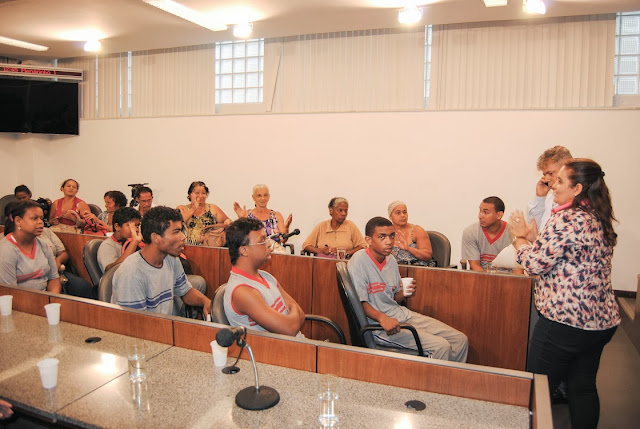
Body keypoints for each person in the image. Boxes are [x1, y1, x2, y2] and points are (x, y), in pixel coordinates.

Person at [510, 159, 619, 429]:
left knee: (537, 390)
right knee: (582, 387)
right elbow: (568, 257)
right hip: (598, 322)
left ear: (577, 188)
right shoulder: (596, 215)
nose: (553, 185)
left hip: (564, 323)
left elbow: (535, 265)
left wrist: (520, 241)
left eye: (559, 181)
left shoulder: (567, 217)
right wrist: (535, 240)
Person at [348, 217, 468, 361]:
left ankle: (449, 375)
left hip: (400, 314)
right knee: (441, 347)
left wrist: (403, 293)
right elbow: (360, 303)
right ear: (368, 240)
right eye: (382, 237)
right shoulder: (359, 261)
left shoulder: (391, 260)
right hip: (378, 326)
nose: (389, 241)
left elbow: (393, 298)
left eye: (392, 236)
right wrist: (382, 318)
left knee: (459, 340)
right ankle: (433, 376)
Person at [112, 206, 210, 317]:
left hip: (163, 324)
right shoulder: (131, 273)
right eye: (176, 232)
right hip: (145, 326)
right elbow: (136, 322)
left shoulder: (171, 258)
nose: (183, 237)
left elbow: (185, 291)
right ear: (156, 238)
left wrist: (205, 302)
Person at [223, 218, 305, 336]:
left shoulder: (265, 276)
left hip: (297, 343)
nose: (269, 244)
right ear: (244, 250)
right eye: (262, 241)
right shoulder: (242, 291)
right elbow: (290, 329)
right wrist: (293, 309)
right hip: (279, 347)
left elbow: (301, 315)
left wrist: (293, 315)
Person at [0, 200, 61, 293]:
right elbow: (10, 292)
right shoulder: (6, 249)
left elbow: (54, 278)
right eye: (34, 218)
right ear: (18, 221)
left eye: (41, 218)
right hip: (19, 300)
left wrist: (51, 299)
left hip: (45, 298)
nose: (40, 222)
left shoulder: (43, 245)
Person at [461, 196, 523, 274]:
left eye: (486, 212)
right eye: (480, 211)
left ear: (499, 215)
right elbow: (475, 266)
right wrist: (489, 281)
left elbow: (518, 270)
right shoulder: (471, 232)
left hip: (508, 278)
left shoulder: (514, 233)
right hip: (481, 277)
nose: (480, 216)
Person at [233, 184, 293, 253]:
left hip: (274, 253)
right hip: (253, 254)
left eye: (265, 195)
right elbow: (241, 239)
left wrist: (287, 227)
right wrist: (241, 219)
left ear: (269, 197)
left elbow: (283, 241)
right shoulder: (246, 214)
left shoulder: (277, 215)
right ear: (253, 197)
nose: (263, 198)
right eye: (259, 196)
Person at [527, 146, 572, 231]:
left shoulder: (577, 203)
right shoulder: (550, 200)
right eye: (544, 174)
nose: (546, 179)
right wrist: (540, 197)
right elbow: (533, 229)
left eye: (550, 173)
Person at [177, 181, 232, 246]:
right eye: (197, 193)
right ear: (190, 194)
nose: (201, 196)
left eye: (203, 193)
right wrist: (193, 208)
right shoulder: (182, 208)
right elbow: (179, 223)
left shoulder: (212, 208)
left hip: (209, 247)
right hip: (186, 247)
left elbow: (228, 222)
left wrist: (228, 221)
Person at [97, 207, 143, 273]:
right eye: (131, 226)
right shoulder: (107, 245)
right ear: (117, 227)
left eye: (137, 226)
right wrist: (134, 242)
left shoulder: (132, 242)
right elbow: (111, 271)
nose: (136, 229)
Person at [387, 201, 434, 266]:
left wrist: (408, 248)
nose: (402, 215)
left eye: (404, 212)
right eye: (398, 213)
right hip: (395, 269)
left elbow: (427, 256)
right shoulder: (387, 232)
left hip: (419, 268)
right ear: (390, 216)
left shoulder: (417, 230)